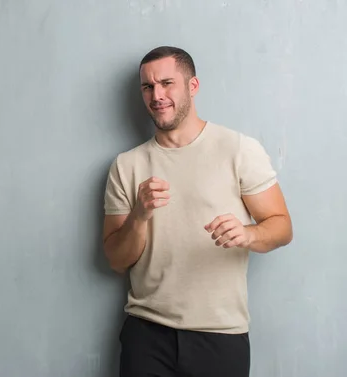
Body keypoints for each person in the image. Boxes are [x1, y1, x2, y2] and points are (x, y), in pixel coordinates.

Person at [102, 46, 293, 377]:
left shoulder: (238, 149)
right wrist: (139, 216)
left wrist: (249, 233)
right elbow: (116, 261)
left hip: (220, 335)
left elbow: (282, 227)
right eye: (148, 87)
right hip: (147, 333)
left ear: (193, 86)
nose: (157, 95)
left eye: (167, 83)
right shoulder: (126, 165)